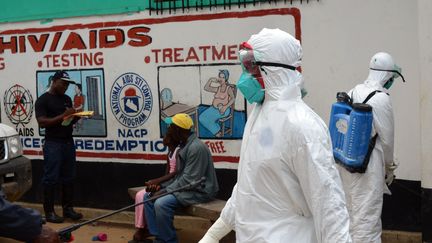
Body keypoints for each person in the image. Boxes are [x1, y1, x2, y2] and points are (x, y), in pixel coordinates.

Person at [199, 28, 351, 243]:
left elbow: (328, 203)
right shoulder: (259, 113)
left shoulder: (302, 125)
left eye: (251, 65)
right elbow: (248, 185)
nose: (245, 75)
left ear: (274, 69)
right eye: (245, 64)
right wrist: (214, 234)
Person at [336, 52, 403, 242]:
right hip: (368, 166)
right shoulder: (381, 99)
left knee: (349, 213)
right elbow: (387, 141)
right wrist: (389, 168)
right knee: (367, 218)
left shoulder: (352, 91)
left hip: (345, 162)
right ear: (387, 75)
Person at [144, 113, 219, 243]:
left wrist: (164, 191)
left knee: (162, 203)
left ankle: (168, 240)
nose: (168, 130)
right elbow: (179, 176)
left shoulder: (196, 148)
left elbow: (190, 181)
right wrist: (161, 187)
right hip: (187, 188)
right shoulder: (184, 145)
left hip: (200, 191)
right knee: (148, 196)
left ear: (178, 130)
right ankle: (160, 236)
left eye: (171, 127)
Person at [35, 70, 83, 223]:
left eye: (68, 84)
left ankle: (68, 210)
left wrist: (76, 117)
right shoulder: (43, 100)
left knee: (69, 177)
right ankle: (49, 212)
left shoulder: (67, 99)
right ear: (54, 81)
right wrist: (63, 115)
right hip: (53, 144)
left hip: (68, 142)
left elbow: (68, 121)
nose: (65, 87)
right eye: (63, 83)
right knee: (51, 178)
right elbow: (42, 122)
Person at [131, 135, 181, 242]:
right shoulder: (170, 153)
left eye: (168, 144)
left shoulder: (178, 152)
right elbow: (167, 172)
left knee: (149, 197)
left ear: (173, 141)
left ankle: (153, 231)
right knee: (140, 195)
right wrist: (158, 184)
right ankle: (143, 228)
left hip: (173, 184)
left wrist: (157, 181)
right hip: (166, 184)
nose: (165, 140)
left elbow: (175, 173)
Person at [199, 70, 236, 137]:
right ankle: (217, 129)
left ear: (226, 79)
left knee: (209, 119)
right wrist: (210, 80)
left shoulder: (228, 88)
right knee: (201, 117)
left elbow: (233, 99)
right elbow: (206, 88)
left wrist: (225, 107)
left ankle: (218, 133)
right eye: (220, 77)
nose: (221, 79)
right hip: (213, 108)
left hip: (223, 109)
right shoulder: (218, 88)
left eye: (223, 77)